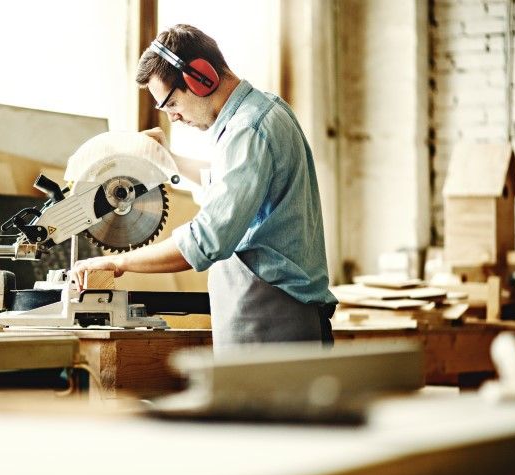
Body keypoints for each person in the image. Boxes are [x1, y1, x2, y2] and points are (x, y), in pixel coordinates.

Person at [71, 24, 337, 348]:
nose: (174, 118)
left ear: (200, 78)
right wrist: (167, 159)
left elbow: (208, 240)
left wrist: (117, 262)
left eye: (171, 104)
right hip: (270, 315)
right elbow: (229, 187)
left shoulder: (249, 129)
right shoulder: (264, 111)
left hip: (272, 320)